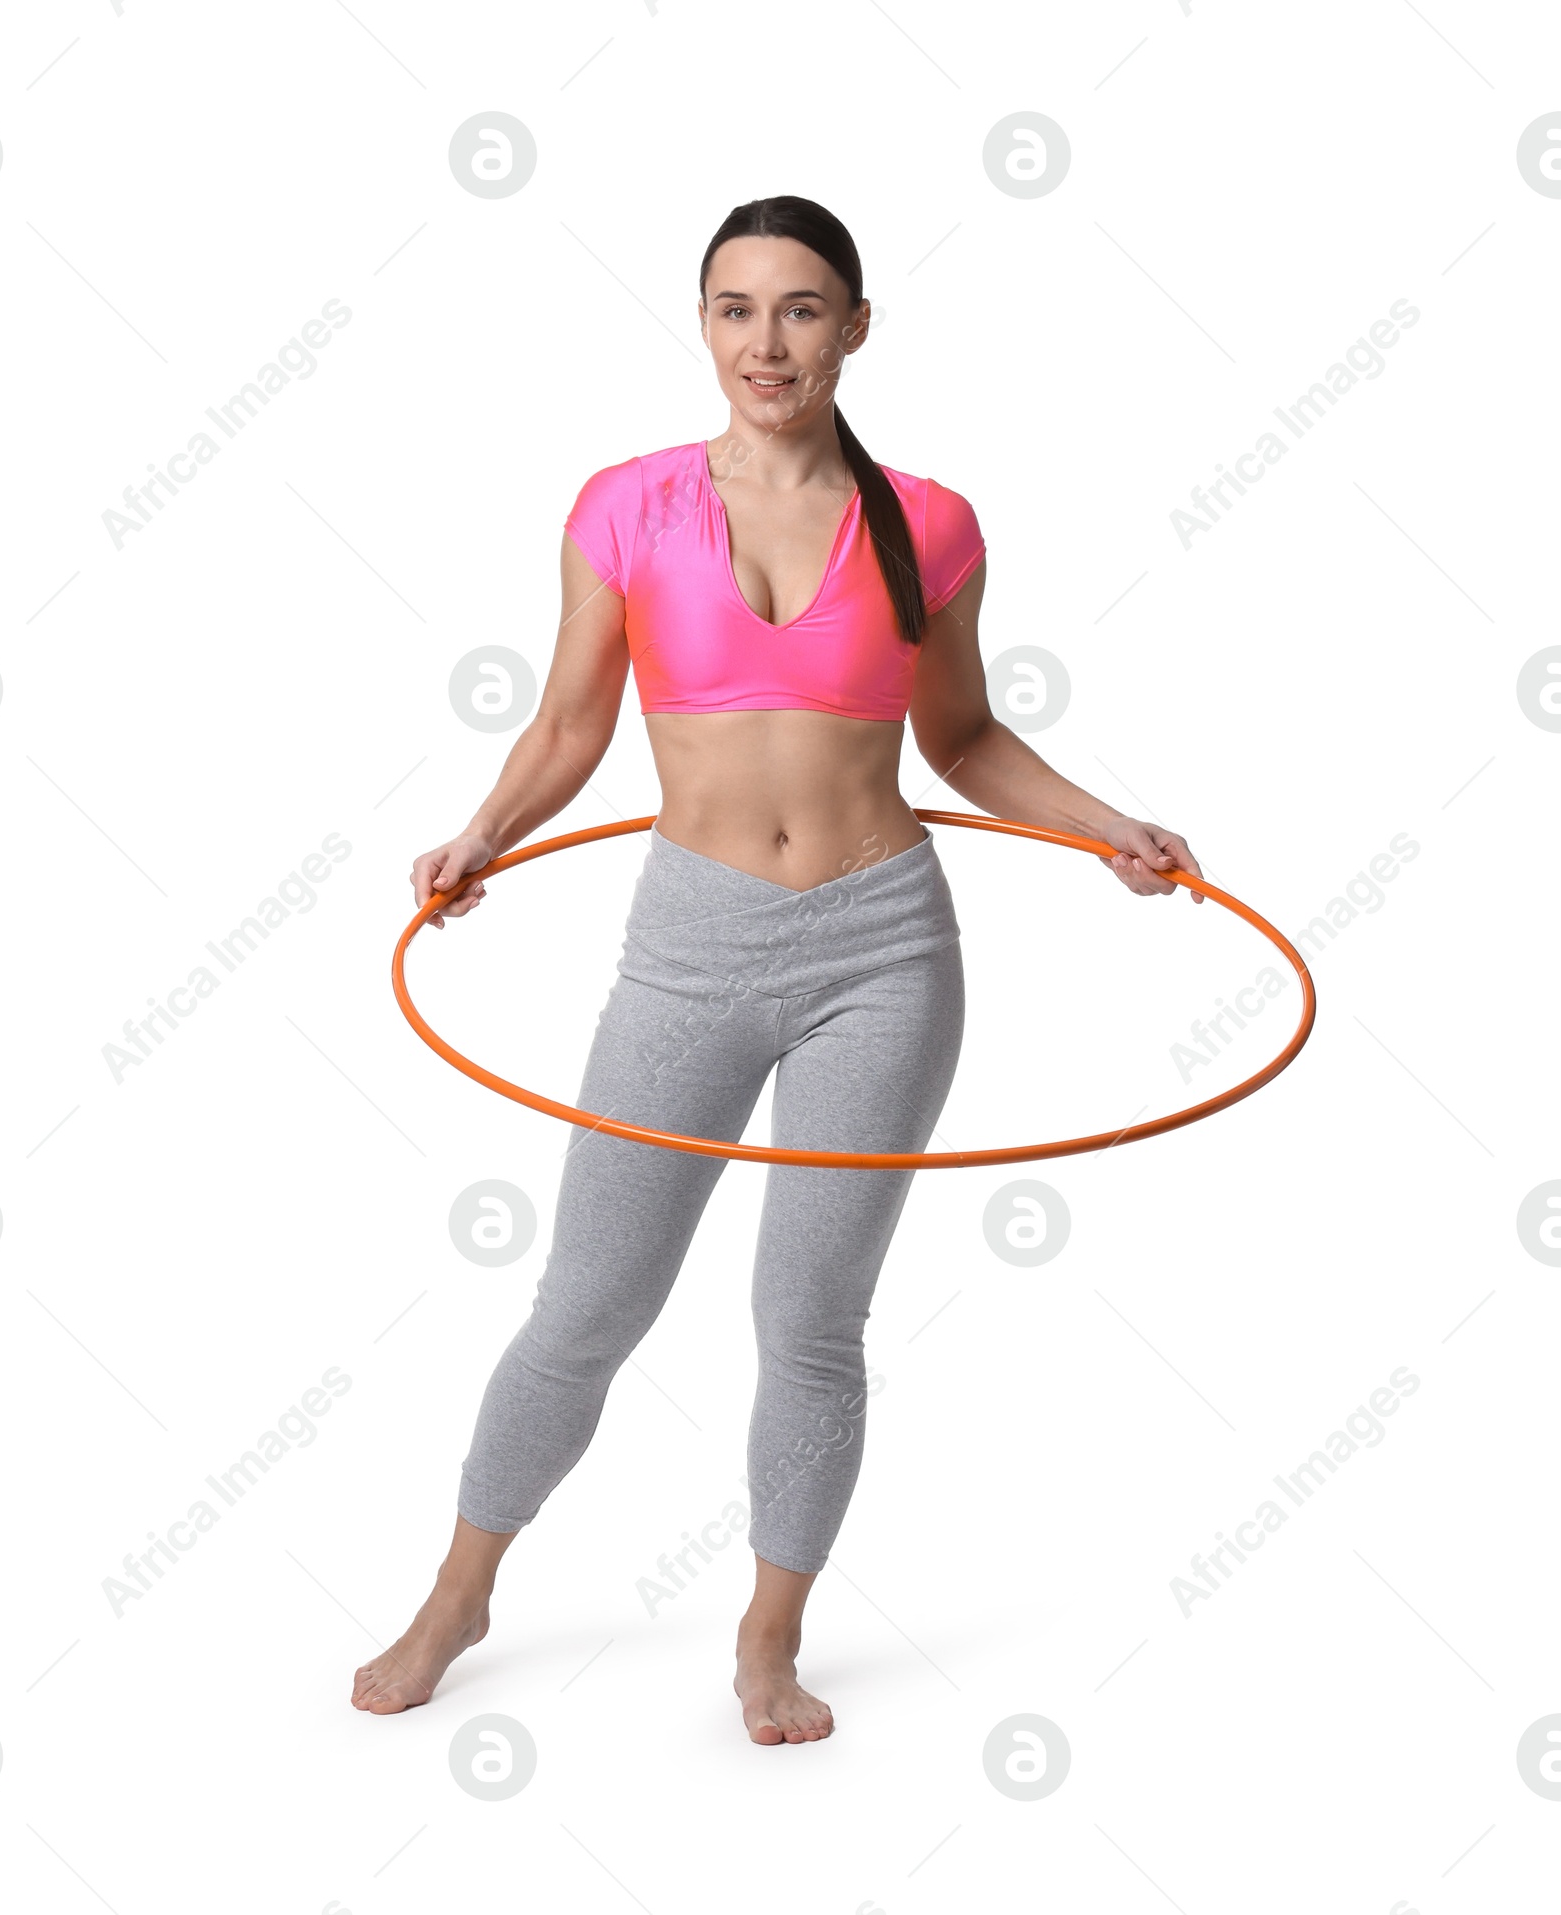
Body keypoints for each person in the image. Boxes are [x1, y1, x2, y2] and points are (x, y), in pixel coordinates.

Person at [352, 194, 1203, 1744]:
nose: (768, 341)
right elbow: (567, 727)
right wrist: (479, 832)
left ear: (855, 328)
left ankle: (768, 1638)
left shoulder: (928, 522)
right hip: (690, 943)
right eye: (737, 308)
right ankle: (459, 1592)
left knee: (809, 1315)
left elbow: (962, 739)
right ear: (703, 324)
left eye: (803, 309)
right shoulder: (627, 505)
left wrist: (1104, 829)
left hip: (882, 945)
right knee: (587, 1306)